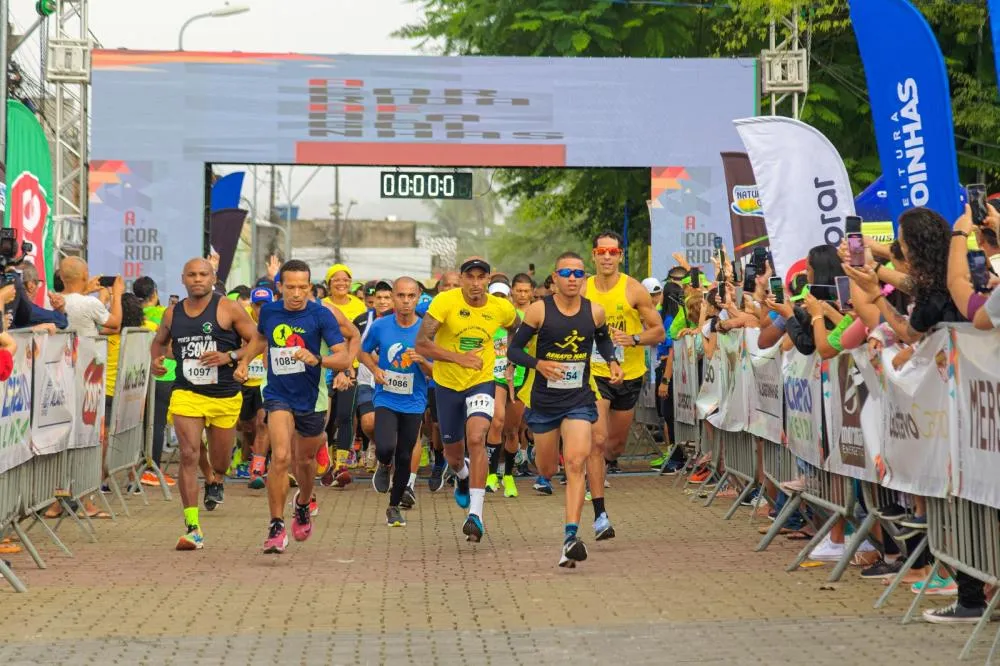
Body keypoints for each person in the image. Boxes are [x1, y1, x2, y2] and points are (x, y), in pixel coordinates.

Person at [508, 252, 623, 566]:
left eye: (578, 273)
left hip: (578, 400)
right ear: (555, 278)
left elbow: (603, 341)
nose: (572, 278)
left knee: (576, 463)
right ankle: (539, 458)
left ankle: (571, 536)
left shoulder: (595, 312)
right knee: (547, 469)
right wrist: (538, 364)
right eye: (566, 273)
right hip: (544, 403)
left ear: (584, 279)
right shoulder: (538, 311)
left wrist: (611, 360)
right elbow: (514, 350)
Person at [237, 260, 350, 554]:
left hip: (312, 399)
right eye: (291, 287)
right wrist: (245, 361)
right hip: (277, 394)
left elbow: (344, 358)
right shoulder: (271, 311)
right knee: (282, 457)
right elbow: (261, 337)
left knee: (305, 462)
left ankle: (303, 502)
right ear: (280, 287)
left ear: (310, 287)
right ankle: (276, 525)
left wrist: (318, 359)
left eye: (303, 287)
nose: (297, 293)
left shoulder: (321, 316)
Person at [149, 258, 259, 551]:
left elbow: (257, 340)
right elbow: (159, 342)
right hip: (187, 392)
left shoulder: (229, 308)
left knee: (221, 461)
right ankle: (192, 527)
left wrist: (232, 357)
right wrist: (156, 361)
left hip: (223, 394)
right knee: (188, 453)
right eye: (191, 275)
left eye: (203, 274)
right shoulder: (173, 313)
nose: (197, 279)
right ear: (183, 279)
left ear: (213, 278)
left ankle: (214, 477)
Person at [415, 257, 520, 542]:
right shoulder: (445, 303)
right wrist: (458, 358)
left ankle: (476, 515)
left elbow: (517, 328)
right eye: (470, 277)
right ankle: (461, 476)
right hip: (447, 384)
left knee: (477, 438)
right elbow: (422, 344)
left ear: (488, 280)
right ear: (461, 279)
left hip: (481, 381)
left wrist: (511, 356)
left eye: (481, 277)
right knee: (452, 452)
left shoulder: (501, 307)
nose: (475, 283)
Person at [581, 231, 664, 539]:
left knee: (614, 446)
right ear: (593, 255)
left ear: (619, 256)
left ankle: (601, 467)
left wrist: (634, 339)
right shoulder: (583, 288)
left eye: (612, 252)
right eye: (601, 251)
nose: (606, 256)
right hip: (595, 373)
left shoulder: (634, 290)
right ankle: (600, 513)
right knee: (597, 440)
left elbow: (658, 332)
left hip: (628, 376)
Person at [359, 277, 432, 526]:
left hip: (414, 400)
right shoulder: (381, 326)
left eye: (411, 296)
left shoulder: (426, 330)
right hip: (386, 397)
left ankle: (393, 505)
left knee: (405, 455)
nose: (406, 301)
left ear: (418, 296)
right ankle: (382, 462)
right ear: (392, 297)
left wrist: (422, 361)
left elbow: (437, 371)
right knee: (386, 447)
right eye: (400, 296)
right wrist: (374, 368)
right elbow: (362, 351)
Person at [321, 263, 366, 487]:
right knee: (324, 418)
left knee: (345, 416)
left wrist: (348, 366)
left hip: (350, 366)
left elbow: (356, 336)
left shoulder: (359, 306)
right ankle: (325, 462)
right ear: (328, 283)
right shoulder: (322, 306)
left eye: (346, 279)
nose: (341, 283)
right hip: (323, 366)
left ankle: (342, 465)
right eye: (336, 279)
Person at [418, 269, 460, 492]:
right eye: (446, 286)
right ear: (439, 289)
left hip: (466, 376)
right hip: (435, 375)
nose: (451, 290)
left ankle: (459, 467)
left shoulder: (469, 308)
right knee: (437, 424)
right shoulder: (429, 309)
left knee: (465, 425)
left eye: (455, 286)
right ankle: (439, 462)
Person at [134, 276, 176, 487]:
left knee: (144, 424)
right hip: (165, 375)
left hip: (138, 376)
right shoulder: (164, 314)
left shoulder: (133, 315)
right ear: (155, 294)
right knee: (157, 424)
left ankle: (143, 466)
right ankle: (152, 469)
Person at [485, 279, 522, 498]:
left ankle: (508, 475)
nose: (499, 301)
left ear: (509, 299)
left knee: (512, 430)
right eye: (495, 297)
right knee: (496, 421)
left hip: (518, 379)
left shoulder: (521, 321)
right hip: (494, 377)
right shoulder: (486, 322)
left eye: (503, 297)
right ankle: (491, 475)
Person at [353, 279, 394, 472]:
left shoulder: (403, 320)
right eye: (379, 297)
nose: (383, 301)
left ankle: (387, 455)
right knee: (368, 423)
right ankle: (375, 443)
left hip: (394, 382)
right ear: (373, 300)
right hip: (367, 379)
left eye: (387, 297)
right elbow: (351, 347)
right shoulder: (361, 321)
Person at [242, 286, 273, 489]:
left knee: (263, 424)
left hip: (267, 381)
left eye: (266, 305)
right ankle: (250, 456)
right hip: (245, 382)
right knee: (246, 426)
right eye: (258, 305)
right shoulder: (243, 320)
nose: (262, 309)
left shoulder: (277, 318)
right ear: (252, 305)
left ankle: (257, 470)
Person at [57, 256, 123, 336]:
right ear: (85, 275)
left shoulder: (52, 300)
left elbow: (74, 301)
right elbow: (115, 323)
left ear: (61, 276)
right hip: (86, 347)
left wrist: (86, 291)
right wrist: (117, 294)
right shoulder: (90, 302)